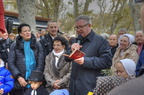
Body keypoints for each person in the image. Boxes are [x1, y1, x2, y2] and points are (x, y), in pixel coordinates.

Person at [65, 15, 112, 95]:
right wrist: (71, 51)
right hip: (74, 86)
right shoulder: (76, 39)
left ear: (89, 25)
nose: (78, 30)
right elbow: (67, 59)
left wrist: (85, 61)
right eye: (76, 27)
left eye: (80, 27)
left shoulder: (100, 41)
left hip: (89, 86)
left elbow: (107, 62)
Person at [106, 1, 144, 95]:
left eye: (125, 41)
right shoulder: (117, 51)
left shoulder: (133, 53)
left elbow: (135, 69)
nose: (122, 43)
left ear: (129, 43)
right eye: (121, 41)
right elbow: (113, 63)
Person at [8, 23, 44, 95]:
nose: (27, 32)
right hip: (19, 80)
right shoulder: (14, 45)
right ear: (20, 34)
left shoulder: (38, 45)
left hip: (34, 81)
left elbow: (41, 62)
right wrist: (18, 77)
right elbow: (11, 63)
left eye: (29, 30)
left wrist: (34, 78)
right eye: (25, 31)